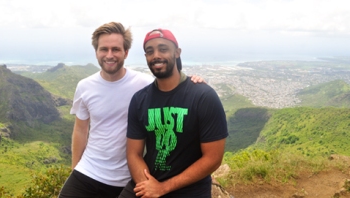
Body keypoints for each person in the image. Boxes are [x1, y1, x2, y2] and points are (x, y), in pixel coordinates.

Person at [59, 22, 205, 198]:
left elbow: (170, 83)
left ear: (126, 53)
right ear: (96, 52)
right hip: (88, 172)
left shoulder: (143, 84)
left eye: (116, 49)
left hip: (129, 177)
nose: (109, 55)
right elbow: (80, 130)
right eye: (103, 49)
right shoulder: (84, 87)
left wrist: (192, 81)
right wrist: (75, 169)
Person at [120, 28, 228, 198]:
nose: (156, 55)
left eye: (163, 49)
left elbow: (213, 158)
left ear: (177, 53)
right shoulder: (140, 100)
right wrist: (148, 186)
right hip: (146, 183)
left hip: (188, 189)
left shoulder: (203, 96)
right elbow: (134, 153)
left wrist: (163, 188)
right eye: (150, 51)